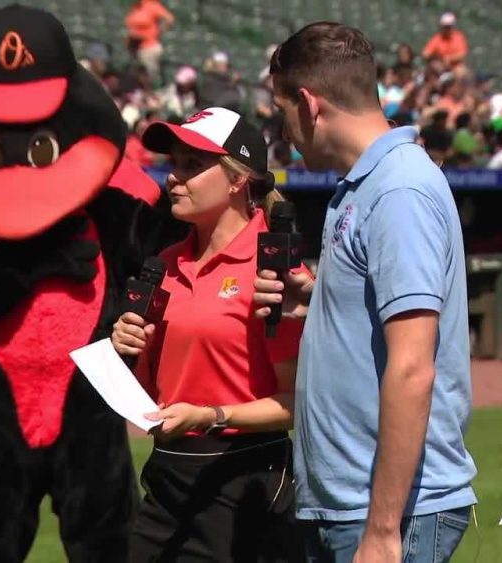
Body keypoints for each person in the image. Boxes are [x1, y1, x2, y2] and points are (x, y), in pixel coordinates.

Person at [256, 22, 477, 563]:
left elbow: (412, 367)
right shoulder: (366, 181)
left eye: (283, 109)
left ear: (309, 104)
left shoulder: (399, 187)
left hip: (387, 514)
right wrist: (318, 299)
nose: (282, 131)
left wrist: (381, 531)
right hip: (348, 506)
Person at [112, 107, 307, 562]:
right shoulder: (165, 263)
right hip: (169, 474)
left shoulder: (275, 272)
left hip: (246, 484)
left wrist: (210, 415)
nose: (173, 178)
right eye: (173, 164)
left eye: (192, 166)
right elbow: (156, 393)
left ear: (238, 178)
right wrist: (128, 349)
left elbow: (295, 402)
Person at [124, 0, 174, 78]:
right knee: (136, 78)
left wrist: (158, 32)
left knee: (148, 78)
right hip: (135, 50)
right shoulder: (134, 7)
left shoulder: (151, 4)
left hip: (149, 48)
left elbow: (169, 18)